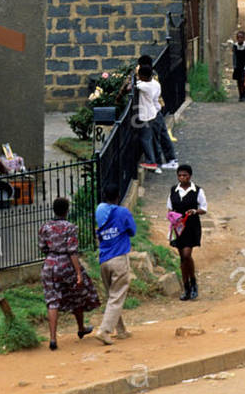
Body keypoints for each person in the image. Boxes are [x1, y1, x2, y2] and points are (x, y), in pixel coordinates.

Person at [39, 196, 100, 350]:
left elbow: (43, 247)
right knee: (77, 294)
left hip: (49, 265)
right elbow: (72, 251)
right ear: (67, 211)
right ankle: (80, 328)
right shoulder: (70, 227)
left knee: (52, 301)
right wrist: (78, 273)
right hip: (66, 264)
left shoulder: (44, 227)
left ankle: (53, 339)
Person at [93, 184, 136, 345]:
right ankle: (104, 331)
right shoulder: (122, 212)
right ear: (118, 197)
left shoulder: (100, 212)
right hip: (119, 258)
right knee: (117, 297)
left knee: (113, 295)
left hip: (104, 260)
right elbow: (132, 231)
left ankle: (121, 330)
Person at [168, 165, 207, 300]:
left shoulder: (197, 190)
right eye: (180, 175)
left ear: (190, 176)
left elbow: (204, 208)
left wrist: (195, 211)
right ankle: (186, 287)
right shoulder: (173, 190)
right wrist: (172, 218)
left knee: (186, 254)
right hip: (178, 227)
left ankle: (193, 281)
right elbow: (169, 208)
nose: (182, 178)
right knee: (182, 258)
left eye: (185, 175)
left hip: (191, 226)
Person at [135, 64, 177, 172]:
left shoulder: (144, 86)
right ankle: (164, 161)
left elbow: (134, 84)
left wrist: (135, 75)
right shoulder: (155, 84)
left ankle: (154, 163)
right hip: (156, 112)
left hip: (147, 115)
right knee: (159, 136)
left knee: (148, 139)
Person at [229, 29, 245, 102]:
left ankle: (243, 94)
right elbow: (234, 56)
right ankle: (240, 95)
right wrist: (234, 65)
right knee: (239, 81)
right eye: (238, 38)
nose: (240, 39)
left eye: (241, 37)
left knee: (243, 80)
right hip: (238, 66)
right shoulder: (235, 46)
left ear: (244, 38)